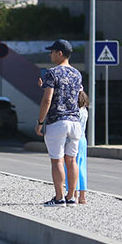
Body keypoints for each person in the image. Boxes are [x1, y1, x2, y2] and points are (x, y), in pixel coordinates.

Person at [37, 39, 83, 207]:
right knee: (71, 160)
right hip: (75, 123)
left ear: (60, 53)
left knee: (57, 160)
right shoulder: (77, 74)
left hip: (58, 122)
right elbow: (77, 96)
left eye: (52, 51)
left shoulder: (52, 73)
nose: (50, 54)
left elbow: (47, 100)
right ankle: (71, 197)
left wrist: (40, 122)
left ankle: (58, 198)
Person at [66, 90, 89, 204]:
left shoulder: (74, 112)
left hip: (74, 139)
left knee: (71, 165)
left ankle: (73, 193)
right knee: (82, 166)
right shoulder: (85, 111)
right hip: (83, 139)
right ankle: (82, 196)